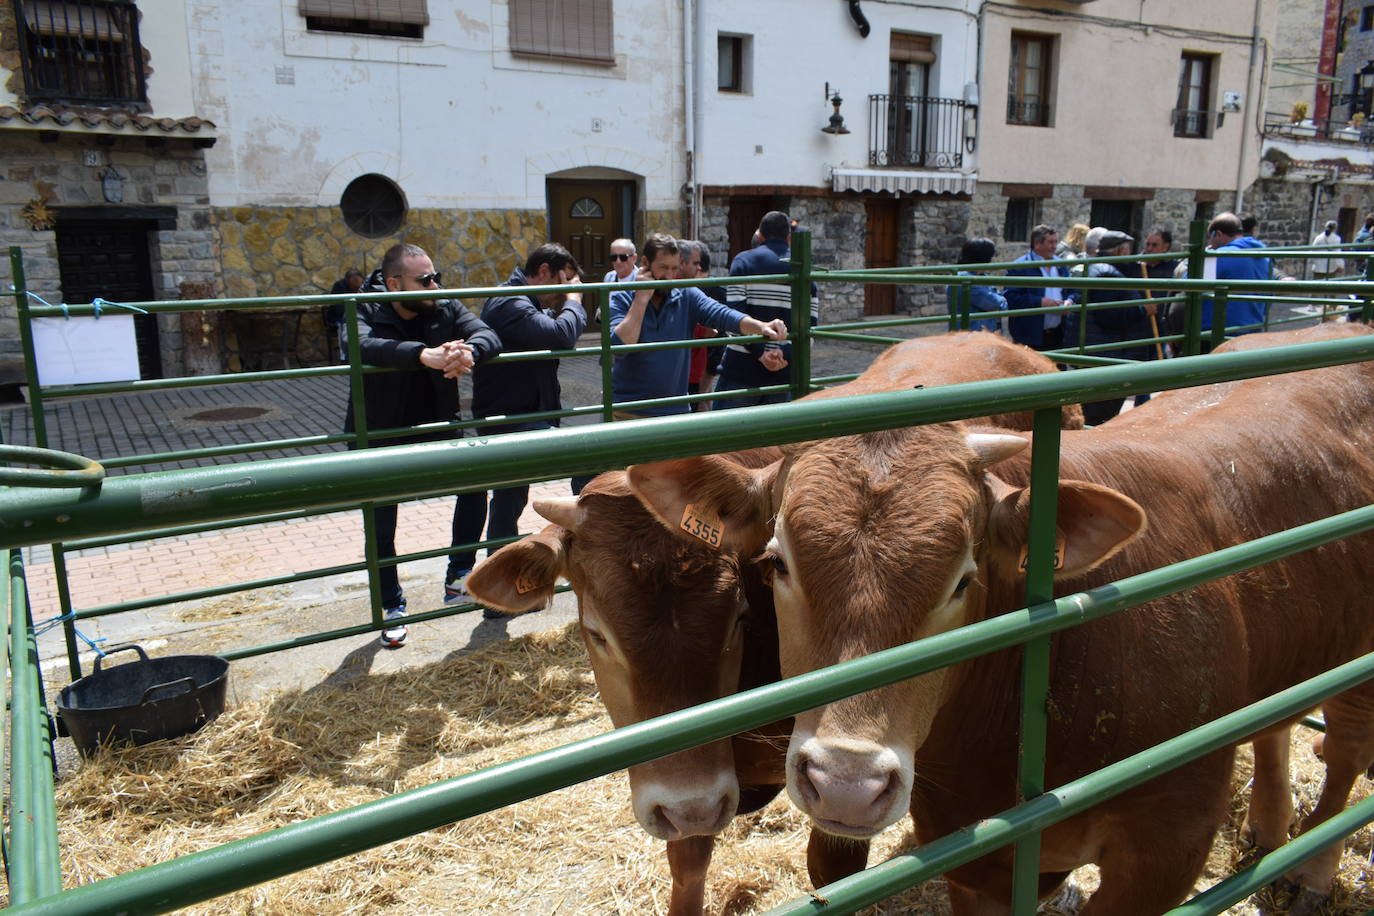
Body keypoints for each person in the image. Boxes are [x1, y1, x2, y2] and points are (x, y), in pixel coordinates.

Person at [343, 243, 502, 647]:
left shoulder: (442, 304)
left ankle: (457, 577)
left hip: (437, 423)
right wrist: (423, 356)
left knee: (473, 485)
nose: (435, 284)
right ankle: (391, 605)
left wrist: (467, 351)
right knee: (381, 521)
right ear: (394, 283)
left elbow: (487, 333)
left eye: (436, 276)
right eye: (425, 279)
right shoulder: (363, 306)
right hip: (381, 430)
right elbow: (358, 346)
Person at [449, 244, 587, 617]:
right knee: (580, 469)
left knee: (510, 498)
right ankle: (501, 593)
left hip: (524, 413)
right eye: (564, 279)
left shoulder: (521, 300)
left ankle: (501, 594)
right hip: (512, 416)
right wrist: (574, 300)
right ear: (544, 271)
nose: (567, 288)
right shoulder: (511, 302)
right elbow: (561, 336)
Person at [609, 233, 786, 418]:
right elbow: (620, 347)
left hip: (674, 411)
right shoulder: (620, 296)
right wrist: (640, 299)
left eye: (674, 268)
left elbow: (721, 313)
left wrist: (761, 326)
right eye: (663, 268)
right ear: (645, 263)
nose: (669, 276)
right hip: (628, 411)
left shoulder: (686, 294)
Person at [714, 211, 817, 409]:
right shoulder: (803, 269)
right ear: (789, 236)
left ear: (760, 235)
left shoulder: (742, 262)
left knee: (725, 436)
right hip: (784, 375)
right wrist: (782, 355)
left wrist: (761, 353)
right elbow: (809, 330)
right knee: (775, 439)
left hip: (741, 370)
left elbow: (734, 320)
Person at [1069, 230, 1153, 425]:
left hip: (1097, 349)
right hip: (1105, 352)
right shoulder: (1107, 273)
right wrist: (1143, 310)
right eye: (1128, 250)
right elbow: (1110, 315)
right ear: (1120, 251)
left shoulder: (1097, 268)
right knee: (1100, 409)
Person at [1003, 224, 1075, 351]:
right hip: (1030, 334)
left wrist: (1069, 301)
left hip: (1058, 333)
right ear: (1037, 244)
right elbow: (1011, 297)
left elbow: (1071, 289)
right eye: (1050, 242)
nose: (1054, 247)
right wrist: (1041, 302)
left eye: (1055, 242)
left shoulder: (1061, 264)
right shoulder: (1020, 267)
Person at [1202, 212, 1271, 344]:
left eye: (1210, 237)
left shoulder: (1219, 256)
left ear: (1218, 234)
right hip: (1254, 331)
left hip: (1220, 334)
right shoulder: (1264, 255)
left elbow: (1190, 281)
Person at [678, 240, 726, 411]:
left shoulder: (693, 288)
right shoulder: (684, 287)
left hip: (700, 360)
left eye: (699, 264)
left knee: (700, 401)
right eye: (694, 264)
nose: (697, 268)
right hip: (693, 362)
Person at [948, 238, 1008, 334]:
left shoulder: (981, 276)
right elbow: (995, 304)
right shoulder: (964, 279)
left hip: (983, 332)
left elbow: (996, 301)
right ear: (983, 258)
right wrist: (1001, 300)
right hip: (971, 336)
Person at [325, 268, 364, 361]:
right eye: (353, 280)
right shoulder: (339, 287)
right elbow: (338, 308)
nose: (356, 284)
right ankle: (345, 358)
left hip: (361, 316)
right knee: (345, 324)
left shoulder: (365, 286)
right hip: (339, 318)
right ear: (348, 281)